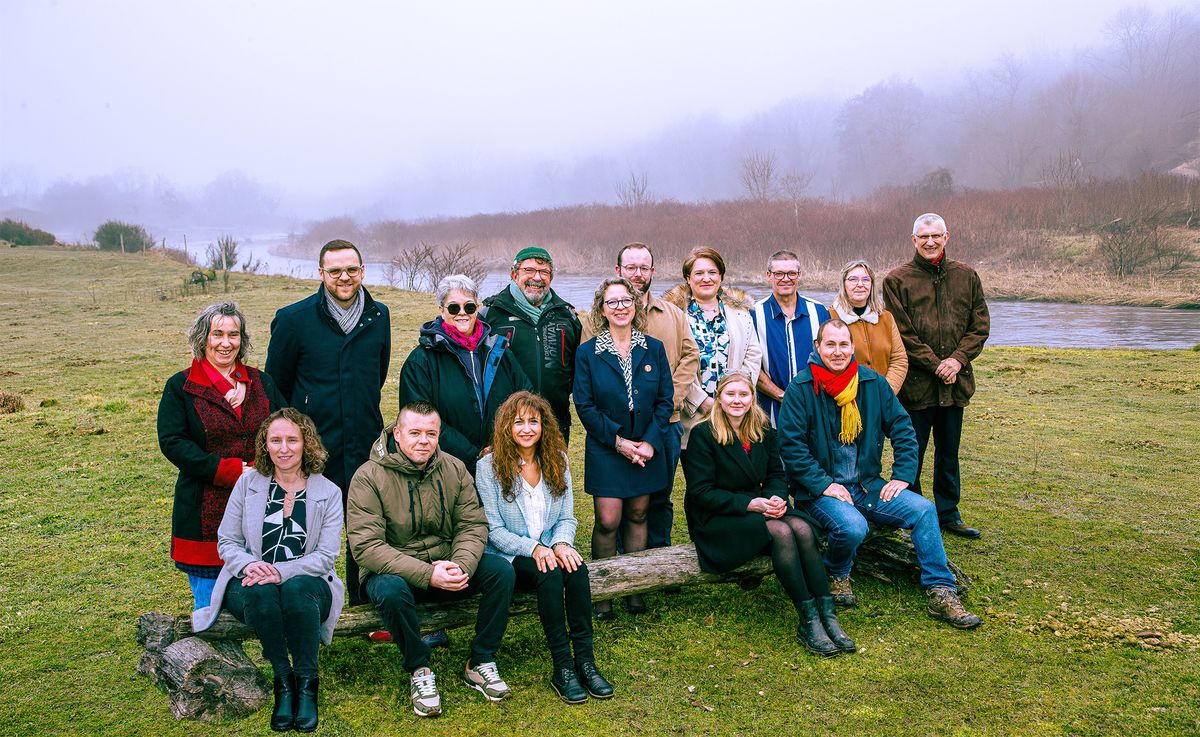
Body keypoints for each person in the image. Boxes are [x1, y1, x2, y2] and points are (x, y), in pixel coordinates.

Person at [777, 319, 981, 628]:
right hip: (819, 492)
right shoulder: (801, 387)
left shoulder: (872, 383)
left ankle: (941, 590)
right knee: (853, 527)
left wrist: (902, 475)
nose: (837, 351)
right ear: (817, 347)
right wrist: (824, 485)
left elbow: (903, 429)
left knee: (925, 510)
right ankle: (837, 572)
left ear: (852, 347)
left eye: (843, 344)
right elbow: (791, 447)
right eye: (830, 344)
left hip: (867, 485)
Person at [347, 401, 516, 717]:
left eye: (431, 433)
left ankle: (480, 660)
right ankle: (419, 669)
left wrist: (460, 565)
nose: (423, 440)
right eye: (414, 433)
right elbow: (367, 547)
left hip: (447, 564)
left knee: (501, 572)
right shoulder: (367, 477)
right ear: (397, 434)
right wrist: (427, 574)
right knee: (388, 590)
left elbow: (472, 524)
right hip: (396, 573)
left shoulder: (453, 468)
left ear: (439, 435)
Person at [193, 409, 344, 732]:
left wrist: (280, 572)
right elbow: (228, 541)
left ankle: (306, 683)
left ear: (307, 444)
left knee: (296, 589)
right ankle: (283, 681)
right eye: (275, 440)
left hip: (308, 584)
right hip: (250, 579)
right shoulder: (248, 484)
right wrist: (251, 565)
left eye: (292, 440)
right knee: (261, 592)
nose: (284, 448)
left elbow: (326, 556)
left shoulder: (328, 492)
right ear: (265, 445)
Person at [682, 373, 854, 656]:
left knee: (802, 529)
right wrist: (753, 505)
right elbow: (701, 492)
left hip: (759, 505)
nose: (737, 400)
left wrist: (775, 497)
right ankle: (808, 620)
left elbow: (776, 474)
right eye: (730, 394)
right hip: (718, 517)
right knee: (782, 532)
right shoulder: (703, 434)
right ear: (720, 399)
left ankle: (828, 614)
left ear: (752, 398)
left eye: (744, 395)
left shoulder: (762, 428)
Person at [265, 238, 390, 604]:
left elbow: (377, 375)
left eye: (352, 269)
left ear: (362, 271)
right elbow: (277, 385)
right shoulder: (293, 319)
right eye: (335, 271)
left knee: (365, 527)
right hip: (313, 444)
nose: (344, 277)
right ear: (321, 273)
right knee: (305, 526)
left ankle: (364, 604)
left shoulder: (379, 316)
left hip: (364, 442)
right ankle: (306, 604)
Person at [475, 392, 614, 703]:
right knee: (549, 572)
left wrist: (562, 542)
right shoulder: (488, 466)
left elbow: (566, 516)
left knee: (577, 569)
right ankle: (562, 666)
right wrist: (536, 548)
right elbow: (494, 531)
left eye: (533, 422)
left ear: (544, 426)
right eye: (519, 422)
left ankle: (586, 660)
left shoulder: (557, 459)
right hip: (511, 554)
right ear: (506, 426)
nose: (526, 428)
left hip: (550, 545)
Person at [158, 301, 286, 609]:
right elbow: (173, 441)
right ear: (203, 338)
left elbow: (286, 428)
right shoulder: (181, 386)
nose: (226, 343)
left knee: (266, 592)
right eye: (217, 334)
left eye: (234, 334)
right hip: (204, 510)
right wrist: (229, 471)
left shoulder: (261, 381)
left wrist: (262, 467)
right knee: (210, 603)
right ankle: (208, 655)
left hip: (262, 505)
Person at [583, 242, 700, 551]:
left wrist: (669, 402)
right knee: (611, 514)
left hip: (663, 422)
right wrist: (618, 440)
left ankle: (656, 564)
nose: (638, 273)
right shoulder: (592, 328)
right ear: (618, 270)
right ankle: (616, 570)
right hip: (613, 431)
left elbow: (690, 356)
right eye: (630, 267)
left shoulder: (671, 315)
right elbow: (586, 389)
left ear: (652, 271)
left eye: (643, 267)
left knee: (654, 502)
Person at [883, 213, 990, 538]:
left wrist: (956, 361)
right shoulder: (896, 280)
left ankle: (948, 513)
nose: (930, 242)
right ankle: (910, 512)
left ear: (947, 237)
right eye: (923, 236)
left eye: (936, 236)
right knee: (911, 453)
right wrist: (936, 364)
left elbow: (980, 324)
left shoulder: (967, 276)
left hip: (955, 386)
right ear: (914, 240)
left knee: (949, 453)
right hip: (916, 387)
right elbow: (902, 333)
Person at [573, 277, 674, 618]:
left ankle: (635, 589)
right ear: (602, 309)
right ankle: (603, 593)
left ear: (635, 306)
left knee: (639, 514)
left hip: (645, 448)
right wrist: (617, 441)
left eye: (626, 301)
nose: (620, 307)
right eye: (612, 302)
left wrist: (648, 442)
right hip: (607, 447)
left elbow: (665, 401)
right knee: (608, 519)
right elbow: (585, 405)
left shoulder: (653, 348)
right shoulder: (588, 353)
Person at [398, 274, 532, 477]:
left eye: (469, 307)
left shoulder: (500, 350)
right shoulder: (421, 361)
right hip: (446, 469)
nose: (462, 313)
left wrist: (501, 447)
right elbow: (418, 421)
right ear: (441, 310)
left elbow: (526, 400)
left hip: (502, 462)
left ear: (477, 308)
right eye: (453, 307)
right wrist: (474, 455)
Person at [480, 247, 582, 444]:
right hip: (506, 422)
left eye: (544, 272)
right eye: (529, 270)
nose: (537, 277)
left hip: (555, 421)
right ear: (514, 274)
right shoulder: (491, 315)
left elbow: (579, 368)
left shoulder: (567, 316)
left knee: (553, 474)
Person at [664, 246, 762, 447]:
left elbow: (752, 356)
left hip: (735, 415)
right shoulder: (674, 316)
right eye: (699, 273)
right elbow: (672, 364)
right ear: (688, 278)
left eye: (712, 272)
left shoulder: (741, 314)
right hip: (693, 417)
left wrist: (736, 397)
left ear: (721, 276)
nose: (706, 278)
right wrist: (703, 402)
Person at [751, 249, 831, 426]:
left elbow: (832, 358)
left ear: (799, 275)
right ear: (768, 276)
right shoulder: (754, 315)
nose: (785, 278)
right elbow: (750, 365)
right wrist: (783, 396)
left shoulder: (819, 311)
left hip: (815, 410)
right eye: (779, 273)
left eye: (791, 273)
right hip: (769, 414)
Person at [829, 259, 907, 395]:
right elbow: (827, 362)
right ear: (843, 284)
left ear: (872, 284)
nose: (860, 284)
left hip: (884, 399)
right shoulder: (830, 317)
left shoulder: (886, 318)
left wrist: (885, 393)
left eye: (866, 279)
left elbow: (899, 359)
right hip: (846, 400)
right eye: (853, 279)